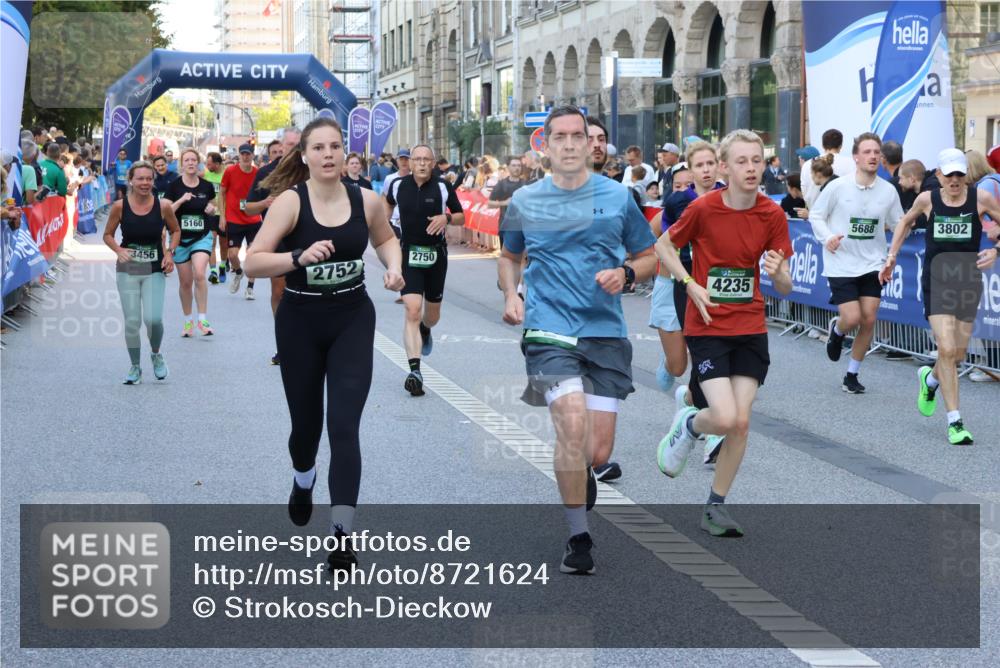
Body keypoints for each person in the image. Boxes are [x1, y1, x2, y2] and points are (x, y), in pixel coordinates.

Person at [498, 106, 657, 574]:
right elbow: (509, 257)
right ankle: (578, 536)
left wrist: (626, 273)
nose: (569, 144)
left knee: (598, 450)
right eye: (560, 136)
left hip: (604, 330)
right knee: (570, 426)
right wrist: (511, 293)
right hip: (548, 328)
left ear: (592, 144)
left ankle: (582, 471)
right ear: (544, 145)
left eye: (578, 136)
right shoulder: (527, 200)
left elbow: (648, 257)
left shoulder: (617, 197)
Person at [244, 117, 404, 571]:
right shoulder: (290, 204)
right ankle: (303, 477)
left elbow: (387, 239)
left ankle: (341, 535)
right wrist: (297, 256)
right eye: (319, 148)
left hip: (352, 317)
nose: (329, 155)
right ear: (306, 156)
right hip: (300, 320)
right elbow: (253, 262)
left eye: (336, 146)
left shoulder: (367, 200)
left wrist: (393, 266)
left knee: (344, 425)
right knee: (306, 428)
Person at [655, 129, 793, 538]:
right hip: (709, 325)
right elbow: (663, 245)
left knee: (741, 423)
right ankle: (691, 426)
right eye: (742, 161)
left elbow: (784, 286)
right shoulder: (704, 208)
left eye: (757, 161)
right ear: (724, 167)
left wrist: (780, 273)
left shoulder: (772, 214)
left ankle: (715, 507)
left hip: (750, 325)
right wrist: (689, 283)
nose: (751, 168)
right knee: (726, 415)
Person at [880, 148, 1000, 445]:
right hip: (937, 280)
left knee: (956, 355)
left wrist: (996, 250)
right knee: (945, 348)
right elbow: (905, 223)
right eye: (949, 175)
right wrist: (892, 256)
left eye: (960, 174)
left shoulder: (981, 199)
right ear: (939, 176)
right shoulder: (927, 200)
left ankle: (930, 379)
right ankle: (955, 422)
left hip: (968, 282)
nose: (955, 180)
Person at [808, 132, 903, 393]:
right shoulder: (838, 187)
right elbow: (816, 216)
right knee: (851, 318)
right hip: (841, 262)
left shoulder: (888, 191)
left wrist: (892, 256)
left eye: (876, 152)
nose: (873, 156)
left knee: (869, 319)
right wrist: (828, 238)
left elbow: (899, 224)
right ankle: (838, 331)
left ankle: (852, 374)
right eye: (867, 152)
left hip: (873, 262)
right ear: (856, 157)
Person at [384, 144, 465, 396]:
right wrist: (388, 231)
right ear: (409, 163)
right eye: (416, 159)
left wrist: (447, 218)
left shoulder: (442, 186)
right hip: (408, 254)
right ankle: (415, 371)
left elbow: (461, 215)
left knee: (431, 316)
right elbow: (384, 208)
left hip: (436, 257)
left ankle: (426, 329)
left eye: (425, 160)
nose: (420, 163)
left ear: (432, 163)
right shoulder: (398, 185)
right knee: (412, 309)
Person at [102, 161, 180, 384]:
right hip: (128, 268)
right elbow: (107, 235)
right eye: (140, 179)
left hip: (154, 267)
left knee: (153, 319)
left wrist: (169, 253)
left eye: (149, 179)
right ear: (131, 181)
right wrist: (118, 250)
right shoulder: (120, 206)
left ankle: (155, 353)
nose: (145, 183)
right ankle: (135, 366)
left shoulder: (163, 206)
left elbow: (175, 230)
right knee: (133, 320)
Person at [246, 127, 302, 365]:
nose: (292, 149)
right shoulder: (267, 173)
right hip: (277, 240)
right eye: (289, 145)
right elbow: (247, 207)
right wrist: (265, 203)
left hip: (308, 237)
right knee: (279, 292)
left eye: (298, 144)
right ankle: (284, 343)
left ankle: (307, 340)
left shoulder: (312, 172)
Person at [164, 149, 217, 338]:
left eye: (194, 160)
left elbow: (213, 206)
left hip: (201, 236)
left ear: (198, 163)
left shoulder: (206, 186)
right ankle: (188, 321)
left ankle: (203, 319)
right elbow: (166, 210)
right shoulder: (174, 186)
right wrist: (181, 199)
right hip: (180, 239)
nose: (191, 163)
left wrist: (212, 210)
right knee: (185, 283)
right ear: (182, 164)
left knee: (200, 274)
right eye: (187, 160)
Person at [220, 143, 261, 299]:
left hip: (253, 219)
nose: (245, 156)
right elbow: (222, 194)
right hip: (234, 218)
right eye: (243, 153)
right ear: (239, 155)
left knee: (253, 254)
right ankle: (238, 272)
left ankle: (250, 288)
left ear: (252, 155)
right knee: (232, 255)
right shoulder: (230, 171)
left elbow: (261, 195)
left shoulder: (258, 173)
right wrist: (222, 215)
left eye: (248, 154)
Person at [487, 154, 528, 246]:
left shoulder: (525, 184)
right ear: (508, 167)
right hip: (506, 225)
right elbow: (489, 204)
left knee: (522, 258)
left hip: (522, 226)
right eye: (513, 165)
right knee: (507, 258)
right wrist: (504, 203)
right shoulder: (502, 184)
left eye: (519, 165)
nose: (516, 168)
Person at [202, 151, 227, 284]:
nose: (207, 166)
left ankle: (222, 265)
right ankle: (213, 272)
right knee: (212, 242)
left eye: (209, 164)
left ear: (217, 164)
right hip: (211, 213)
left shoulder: (226, 174)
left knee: (224, 244)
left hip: (224, 213)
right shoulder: (206, 174)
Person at [381, 148, 411, 238]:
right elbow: (384, 198)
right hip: (394, 221)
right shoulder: (389, 179)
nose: (404, 162)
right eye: (401, 159)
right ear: (397, 161)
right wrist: (384, 220)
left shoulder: (416, 178)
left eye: (406, 159)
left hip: (410, 222)